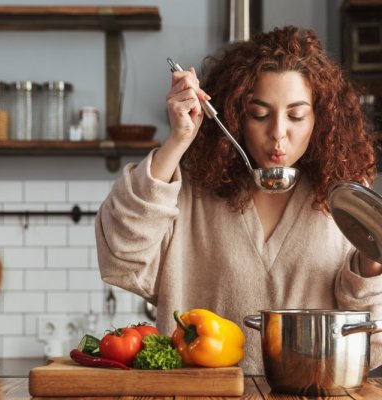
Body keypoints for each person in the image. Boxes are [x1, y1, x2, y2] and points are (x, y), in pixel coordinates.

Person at [95, 25, 382, 374]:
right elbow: (120, 258)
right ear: (235, 115)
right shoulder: (190, 194)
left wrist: (373, 264)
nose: (278, 133)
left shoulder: (344, 204)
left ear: (320, 119)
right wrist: (178, 141)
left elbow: (372, 340)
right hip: (201, 398)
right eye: (259, 114)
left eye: (296, 115)